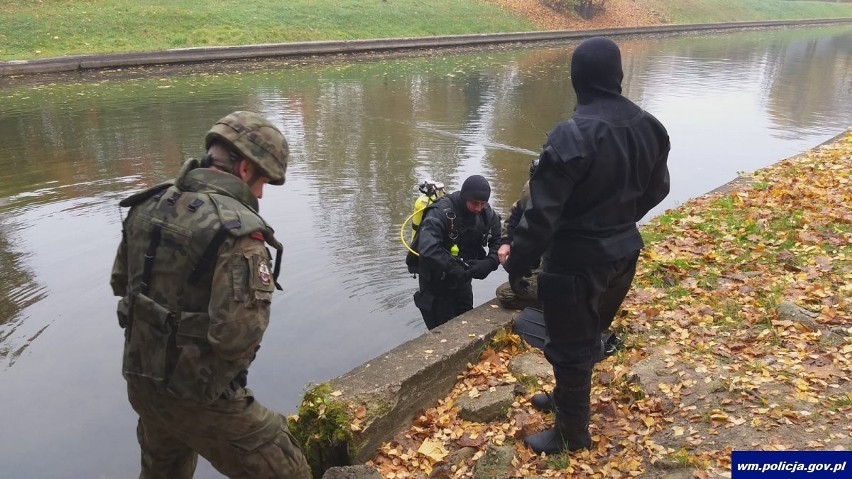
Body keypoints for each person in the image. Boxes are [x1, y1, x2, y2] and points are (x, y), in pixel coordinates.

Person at [110, 111, 311, 479]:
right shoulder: (239, 234)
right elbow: (234, 336)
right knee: (288, 467)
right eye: (263, 181)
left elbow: (121, 284)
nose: (262, 194)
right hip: (200, 397)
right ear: (246, 169)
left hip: (142, 381)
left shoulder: (147, 205)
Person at [504, 37, 670, 455]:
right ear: (618, 76)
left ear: (576, 81)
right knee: (588, 332)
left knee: (571, 347)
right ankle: (565, 400)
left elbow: (541, 216)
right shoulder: (650, 126)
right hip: (624, 254)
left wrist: (517, 262)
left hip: (576, 263)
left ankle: (571, 434)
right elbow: (659, 188)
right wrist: (619, 221)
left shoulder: (571, 136)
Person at [413, 174, 502, 330]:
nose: (478, 208)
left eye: (483, 203)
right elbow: (428, 248)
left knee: (465, 326)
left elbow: (500, 239)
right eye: (475, 203)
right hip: (436, 285)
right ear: (465, 196)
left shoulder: (485, 212)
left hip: (462, 283)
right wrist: (459, 269)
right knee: (441, 330)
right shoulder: (440, 212)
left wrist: (491, 262)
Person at [495, 159, 540, 310]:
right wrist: (506, 241)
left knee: (505, 294)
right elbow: (516, 212)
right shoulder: (529, 190)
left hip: (569, 269)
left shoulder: (563, 201)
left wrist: (517, 267)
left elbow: (539, 234)